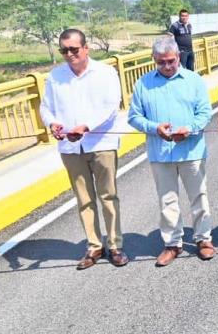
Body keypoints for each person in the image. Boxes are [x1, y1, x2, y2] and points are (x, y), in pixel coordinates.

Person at [40, 29, 128, 270]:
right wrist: (51, 123)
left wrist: (87, 126)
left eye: (74, 49)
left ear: (86, 48)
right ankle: (94, 246)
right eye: (64, 50)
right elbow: (45, 107)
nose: (69, 54)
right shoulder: (55, 76)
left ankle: (115, 245)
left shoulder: (105, 72)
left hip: (101, 144)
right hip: (70, 146)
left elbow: (112, 106)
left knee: (108, 196)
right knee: (83, 199)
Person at [128, 37, 215, 266]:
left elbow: (205, 112)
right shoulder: (143, 84)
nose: (167, 66)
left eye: (171, 61)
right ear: (153, 60)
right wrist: (154, 128)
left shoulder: (194, 80)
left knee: (199, 197)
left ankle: (203, 239)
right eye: (161, 62)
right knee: (167, 200)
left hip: (191, 150)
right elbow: (134, 117)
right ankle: (172, 244)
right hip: (161, 152)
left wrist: (191, 128)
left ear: (178, 57)